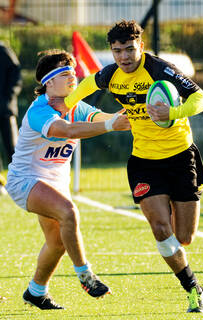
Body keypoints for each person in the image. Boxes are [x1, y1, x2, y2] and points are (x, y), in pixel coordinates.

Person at [49, 20, 203, 313]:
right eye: (117, 50)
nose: (123, 57)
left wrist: (174, 111)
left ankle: (172, 213)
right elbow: (88, 83)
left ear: (141, 47)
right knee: (161, 229)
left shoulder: (161, 70)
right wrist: (66, 102)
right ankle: (192, 288)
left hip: (180, 157)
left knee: (183, 237)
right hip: (144, 162)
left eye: (129, 49)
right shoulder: (112, 74)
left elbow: (202, 98)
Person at [5, 49, 130, 310]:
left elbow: (104, 118)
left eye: (74, 73)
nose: (73, 77)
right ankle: (86, 276)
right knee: (69, 213)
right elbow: (68, 130)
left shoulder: (77, 106)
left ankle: (36, 292)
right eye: (65, 74)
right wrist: (111, 125)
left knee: (58, 242)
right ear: (48, 82)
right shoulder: (40, 110)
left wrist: (131, 116)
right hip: (25, 181)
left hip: (54, 182)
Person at [0, 41, 22, 194]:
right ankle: (1, 184)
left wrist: (8, 97)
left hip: (5, 109)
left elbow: (16, 74)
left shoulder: (2, 50)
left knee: (14, 148)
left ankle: (22, 182)